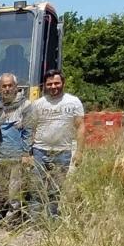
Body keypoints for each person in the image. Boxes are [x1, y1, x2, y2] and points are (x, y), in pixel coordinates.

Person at [22, 69, 85, 218]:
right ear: (45, 85)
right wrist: (27, 152)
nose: (53, 86)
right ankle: (34, 220)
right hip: (39, 151)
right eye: (49, 84)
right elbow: (31, 128)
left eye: (56, 83)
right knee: (36, 187)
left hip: (62, 151)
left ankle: (52, 218)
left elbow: (81, 127)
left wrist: (80, 152)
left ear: (63, 83)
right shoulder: (38, 104)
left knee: (55, 188)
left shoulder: (73, 102)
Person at [0, 73, 31, 223]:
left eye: (10, 86)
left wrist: (26, 152)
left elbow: (29, 130)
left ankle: (13, 218)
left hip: (16, 155)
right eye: (4, 86)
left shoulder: (25, 105)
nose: (7, 89)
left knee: (14, 189)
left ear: (16, 87)